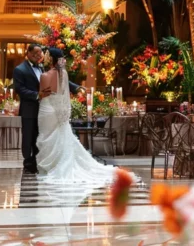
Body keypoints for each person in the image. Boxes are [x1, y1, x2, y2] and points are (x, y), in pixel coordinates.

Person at [35, 47, 130, 184]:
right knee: (60, 137)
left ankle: (51, 166)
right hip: (60, 111)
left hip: (47, 110)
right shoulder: (64, 74)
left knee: (47, 137)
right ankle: (58, 164)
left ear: (50, 58)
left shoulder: (44, 76)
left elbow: (42, 95)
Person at [12, 44, 47, 174]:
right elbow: (19, 89)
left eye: (40, 53)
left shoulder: (42, 68)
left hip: (42, 109)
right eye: (36, 53)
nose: (38, 55)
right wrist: (37, 95)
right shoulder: (20, 69)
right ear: (28, 53)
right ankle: (28, 162)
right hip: (28, 109)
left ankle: (37, 161)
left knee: (39, 136)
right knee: (28, 136)